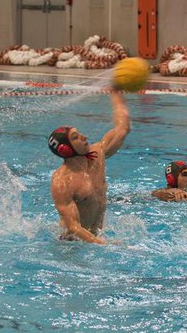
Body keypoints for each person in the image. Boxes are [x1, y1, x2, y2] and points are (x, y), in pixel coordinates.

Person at [48, 90, 131, 243]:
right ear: (66, 150)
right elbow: (73, 227)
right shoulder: (62, 182)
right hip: (71, 244)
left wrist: (116, 93)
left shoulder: (98, 154)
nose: (84, 137)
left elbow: (122, 129)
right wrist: (104, 245)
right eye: (76, 137)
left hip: (97, 238)